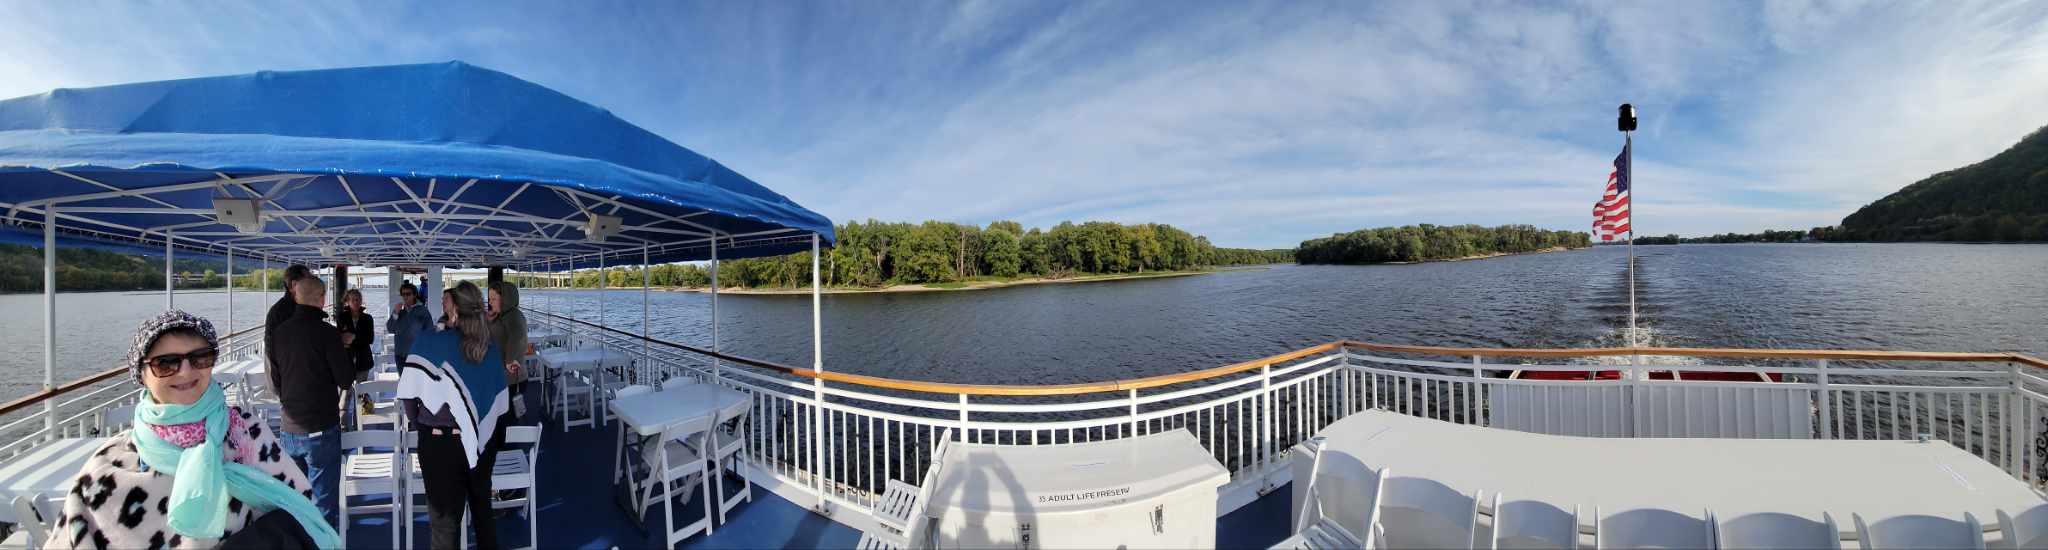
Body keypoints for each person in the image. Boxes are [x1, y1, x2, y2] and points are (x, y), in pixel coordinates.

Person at [49, 311, 339, 549]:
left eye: (200, 357)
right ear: (141, 374)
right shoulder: (108, 467)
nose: (186, 371)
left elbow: (300, 510)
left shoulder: (246, 431)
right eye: (166, 363)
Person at [397, 282, 514, 550]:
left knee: (444, 525)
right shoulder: (490, 349)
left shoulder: (429, 343)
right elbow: (500, 404)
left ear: (454, 311)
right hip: (482, 443)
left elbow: (408, 394)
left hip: (439, 445)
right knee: (483, 514)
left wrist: (422, 424)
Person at [266, 275, 354, 530]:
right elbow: (346, 379)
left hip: (288, 429)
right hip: (320, 427)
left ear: (295, 296)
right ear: (322, 299)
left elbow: (277, 379)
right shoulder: (327, 333)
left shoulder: (279, 333)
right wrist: (343, 348)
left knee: (296, 499)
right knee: (324, 502)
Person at [487, 281, 529, 421]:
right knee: (502, 418)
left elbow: (517, 339)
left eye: (494, 299)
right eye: (489, 299)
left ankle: (507, 441)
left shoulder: (513, 316)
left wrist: (509, 362)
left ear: (505, 299)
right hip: (502, 378)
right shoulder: (502, 316)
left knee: (506, 419)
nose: (490, 302)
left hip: (512, 379)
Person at [386, 282, 433, 362]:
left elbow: (429, 331)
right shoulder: (399, 311)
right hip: (400, 355)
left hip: (418, 355)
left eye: (408, 294)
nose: (405, 297)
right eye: (403, 294)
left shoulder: (422, 311)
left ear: (414, 295)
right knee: (402, 375)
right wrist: (395, 313)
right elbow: (390, 329)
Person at [336, 289, 375, 379]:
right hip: (346, 359)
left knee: (362, 389)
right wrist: (359, 338)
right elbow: (340, 338)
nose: (356, 302)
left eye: (358, 299)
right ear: (347, 301)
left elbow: (370, 339)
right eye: (353, 299)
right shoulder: (342, 317)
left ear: (361, 301)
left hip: (364, 359)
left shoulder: (368, 318)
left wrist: (353, 337)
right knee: (346, 391)